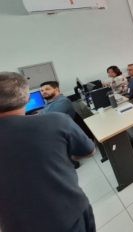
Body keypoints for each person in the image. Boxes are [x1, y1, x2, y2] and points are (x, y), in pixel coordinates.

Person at [0, 72, 96, 232]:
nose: (43, 92)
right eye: (41, 90)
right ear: (26, 98)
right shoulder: (56, 121)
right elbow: (89, 151)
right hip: (68, 215)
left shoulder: (60, 108)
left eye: (46, 89)